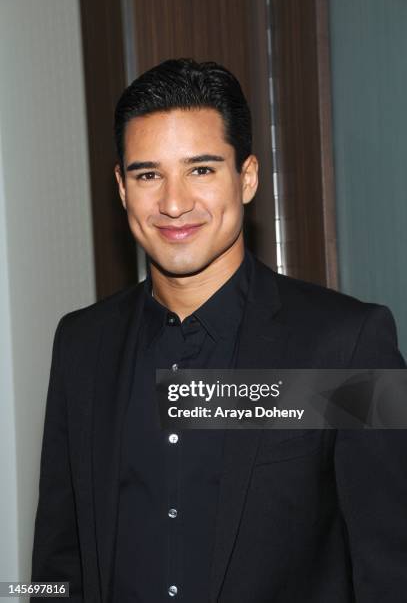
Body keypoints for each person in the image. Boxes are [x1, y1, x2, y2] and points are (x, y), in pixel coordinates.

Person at [31, 59, 406, 603]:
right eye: (148, 174)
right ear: (121, 187)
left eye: (201, 169)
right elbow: (56, 565)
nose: (174, 203)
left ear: (247, 177)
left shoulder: (348, 343)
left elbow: (391, 567)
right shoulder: (81, 345)